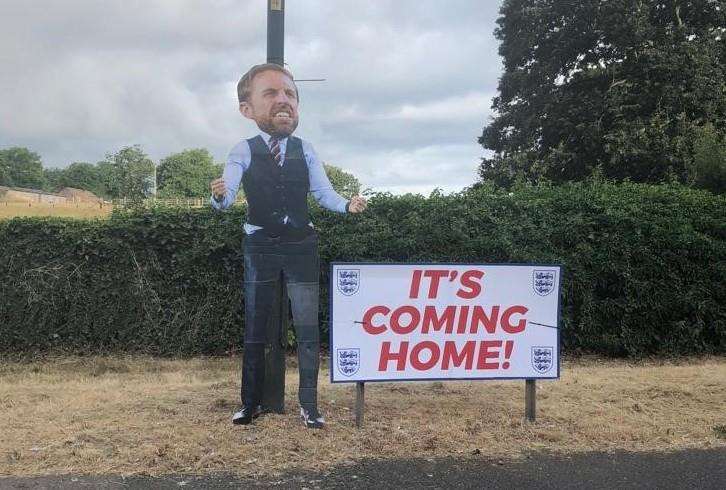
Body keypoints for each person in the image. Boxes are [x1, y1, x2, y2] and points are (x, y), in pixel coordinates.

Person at [210, 63, 366, 429]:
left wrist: (346, 204)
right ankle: (250, 404)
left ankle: (309, 405)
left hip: (301, 245)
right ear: (247, 110)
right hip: (260, 245)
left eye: (290, 94)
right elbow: (228, 190)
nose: (284, 101)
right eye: (271, 94)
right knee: (256, 328)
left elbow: (323, 193)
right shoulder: (243, 150)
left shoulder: (305, 149)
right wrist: (218, 196)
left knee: (308, 329)